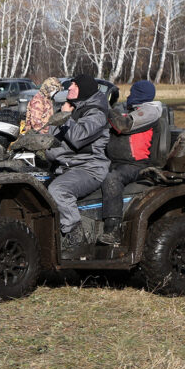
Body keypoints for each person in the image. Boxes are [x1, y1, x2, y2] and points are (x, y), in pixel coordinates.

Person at [43, 74, 111, 258]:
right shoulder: (73, 107)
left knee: (59, 190)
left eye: (74, 85)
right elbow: (53, 138)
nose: (70, 88)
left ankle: (76, 238)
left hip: (89, 168)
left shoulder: (96, 113)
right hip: (66, 166)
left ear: (85, 89)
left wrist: (65, 115)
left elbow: (78, 137)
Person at [97, 80, 163, 244]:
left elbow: (123, 125)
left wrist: (105, 106)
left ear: (140, 94)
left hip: (136, 164)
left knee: (112, 179)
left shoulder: (149, 111)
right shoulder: (133, 110)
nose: (128, 96)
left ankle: (113, 230)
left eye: (132, 93)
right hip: (116, 162)